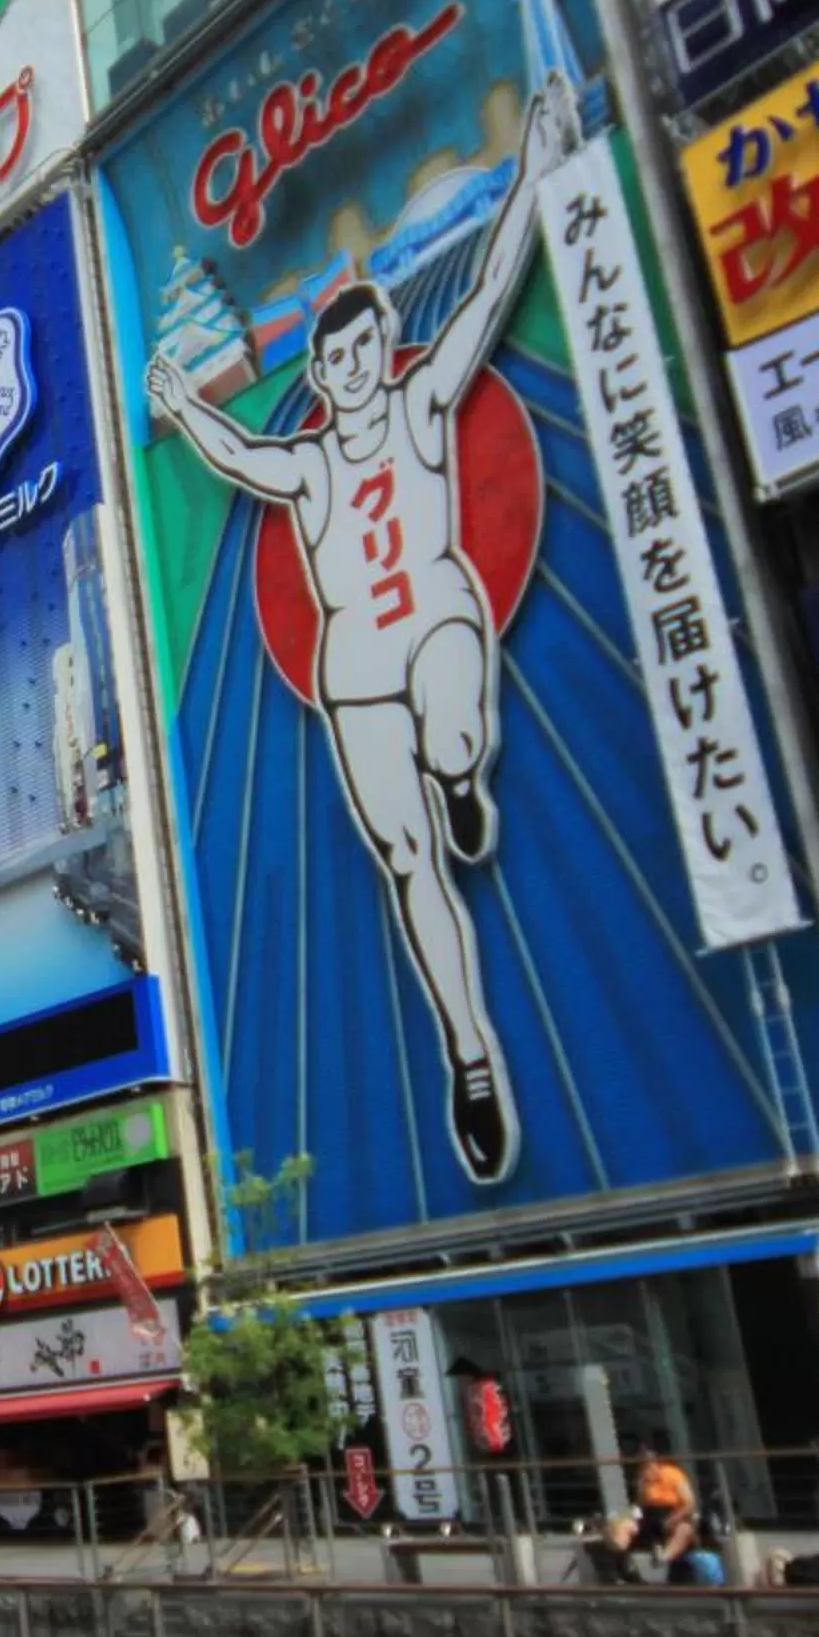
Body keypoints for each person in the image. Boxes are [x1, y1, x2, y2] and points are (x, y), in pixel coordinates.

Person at [145, 72, 581, 1186]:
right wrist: (188, 406)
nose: (342, 375)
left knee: (450, 728)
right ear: (324, 377)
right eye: (328, 364)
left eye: (354, 354)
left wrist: (533, 168)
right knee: (404, 860)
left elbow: (487, 292)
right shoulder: (307, 464)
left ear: (378, 348)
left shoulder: (427, 399)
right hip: (355, 669)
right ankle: (471, 1057)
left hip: (434, 614)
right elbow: (241, 456)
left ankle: (465, 771)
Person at [623, 1435, 699, 1579]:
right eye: (642, 1459)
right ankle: (625, 1567)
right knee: (625, 1527)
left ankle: (663, 1558)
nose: (646, 1463)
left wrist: (673, 1519)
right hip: (651, 1517)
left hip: (673, 1514)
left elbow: (689, 1503)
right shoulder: (642, 1480)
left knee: (685, 1529)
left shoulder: (672, 1474)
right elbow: (639, 1505)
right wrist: (641, 1486)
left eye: (648, 1458)